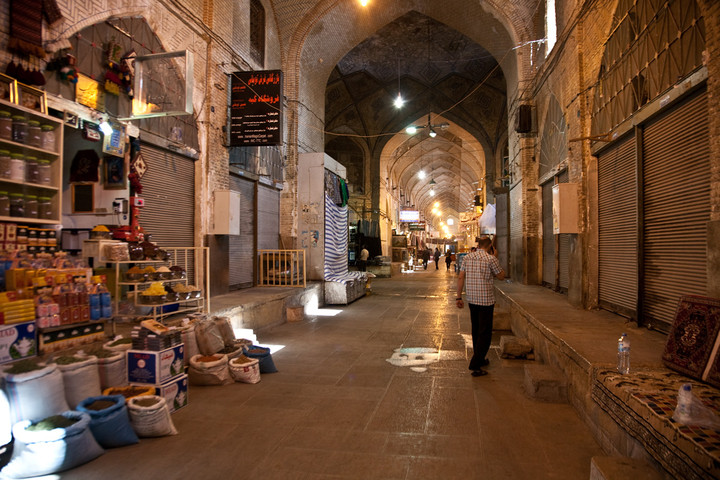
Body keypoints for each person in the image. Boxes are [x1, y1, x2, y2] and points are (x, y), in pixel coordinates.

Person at [455, 236, 505, 377]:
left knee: (476, 330)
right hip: (486, 301)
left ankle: (480, 358)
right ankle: (475, 364)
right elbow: (501, 276)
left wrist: (459, 297)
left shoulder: (467, 258)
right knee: (485, 333)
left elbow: (460, 277)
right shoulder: (491, 259)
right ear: (490, 246)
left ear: (478, 245)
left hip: (472, 299)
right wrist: (496, 257)